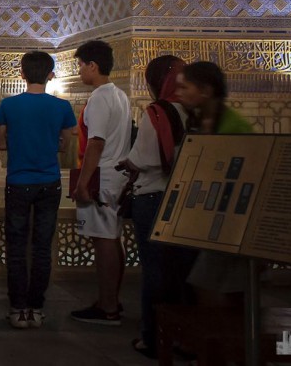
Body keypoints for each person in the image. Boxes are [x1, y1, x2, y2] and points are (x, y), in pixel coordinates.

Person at [119, 55, 194, 358]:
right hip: (186, 200)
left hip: (151, 199)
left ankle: (153, 337)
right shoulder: (195, 111)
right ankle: (185, 339)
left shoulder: (157, 113)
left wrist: (127, 163)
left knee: (155, 273)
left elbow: (141, 158)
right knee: (183, 273)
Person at [0, 51, 77, 329]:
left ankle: (17, 309)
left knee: (16, 247)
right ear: (51, 74)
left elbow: (1, 142)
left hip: (18, 181)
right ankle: (37, 309)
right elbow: (66, 142)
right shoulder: (62, 107)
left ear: (22, 74)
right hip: (49, 181)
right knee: (42, 248)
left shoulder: (8, 105)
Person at [176, 60, 253, 306]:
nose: (179, 94)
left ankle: (228, 341)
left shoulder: (234, 127)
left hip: (232, 220)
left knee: (220, 288)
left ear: (205, 91)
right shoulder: (200, 121)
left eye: (185, 87)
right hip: (212, 218)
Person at [70, 39, 132, 326]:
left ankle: (107, 307)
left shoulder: (99, 98)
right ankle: (111, 300)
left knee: (104, 240)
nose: (79, 71)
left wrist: (83, 184)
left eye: (80, 65)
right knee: (112, 237)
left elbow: (95, 142)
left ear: (93, 66)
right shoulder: (119, 95)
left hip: (102, 176)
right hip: (116, 176)